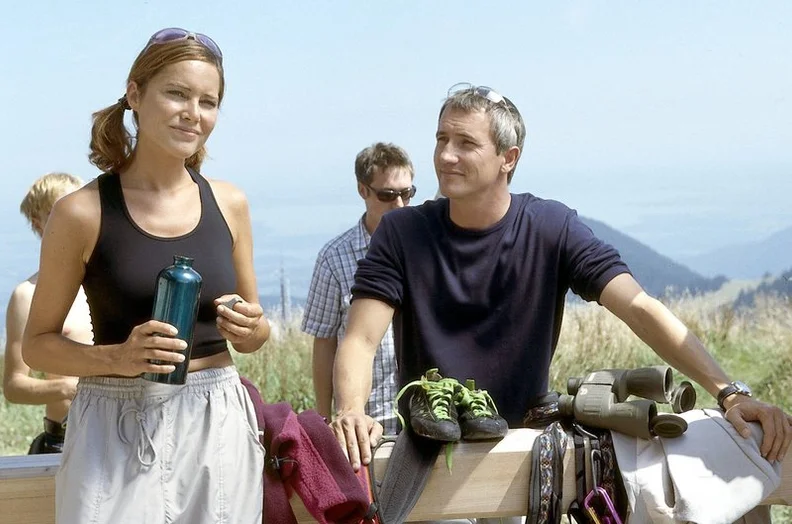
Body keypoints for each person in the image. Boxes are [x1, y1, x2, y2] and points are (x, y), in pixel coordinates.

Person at [330, 83, 792, 476]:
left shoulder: (551, 228)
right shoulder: (402, 232)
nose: (445, 155)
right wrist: (350, 410)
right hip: (431, 454)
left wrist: (729, 392)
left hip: (527, 456)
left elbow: (638, 307)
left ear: (508, 158)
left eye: (465, 143)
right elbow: (360, 338)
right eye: (441, 138)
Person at [22, 28, 269, 523]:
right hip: (113, 423)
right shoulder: (80, 212)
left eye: (208, 102)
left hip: (218, 421)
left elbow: (255, 335)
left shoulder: (230, 203)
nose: (193, 113)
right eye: (177, 93)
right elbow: (37, 346)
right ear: (135, 94)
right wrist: (118, 357)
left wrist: (251, 328)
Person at [302, 142, 415, 436]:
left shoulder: (425, 248)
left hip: (422, 415)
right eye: (387, 195)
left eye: (407, 193)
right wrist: (323, 418)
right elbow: (324, 341)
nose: (399, 204)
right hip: (365, 421)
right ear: (362, 190)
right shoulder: (334, 258)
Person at [3, 173, 93, 454]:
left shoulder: (113, 284)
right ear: (38, 223)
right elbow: (14, 386)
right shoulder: (27, 295)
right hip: (63, 442)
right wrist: (69, 388)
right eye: (61, 211)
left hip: (121, 433)